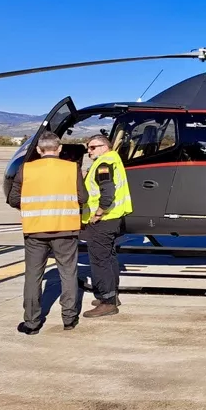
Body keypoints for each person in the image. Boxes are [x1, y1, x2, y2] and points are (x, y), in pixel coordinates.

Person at [8, 131, 88, 334]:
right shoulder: (72, 168)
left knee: (33, 276)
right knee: (68, 273)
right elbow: (83, 197)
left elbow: (13, 198)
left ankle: (32, 323)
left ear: (38, 149)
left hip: (35, 230)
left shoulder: (26, 169)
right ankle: (69, 318)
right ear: (59, 149)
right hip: (65, 228)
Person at [80, 134, 133, 318]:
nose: (89, 151)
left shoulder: (104, 164)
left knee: (99, 261)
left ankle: (107, 303)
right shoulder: (113, 160)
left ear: (104, 146)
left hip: (102, 221)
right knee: (109, 258)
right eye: (88, 147)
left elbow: (107, 192)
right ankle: (111, 295)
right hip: (113, 219)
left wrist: (98, 213)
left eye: (92, 147)